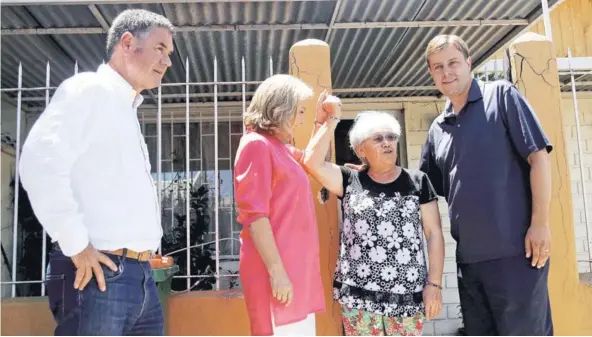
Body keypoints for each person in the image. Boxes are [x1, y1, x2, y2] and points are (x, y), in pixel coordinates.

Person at [19, 9, 174, 336]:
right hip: (97, 274)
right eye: (160, 48)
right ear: (128, 43)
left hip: (140, 277)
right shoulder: (89, 90)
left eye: (169, 53)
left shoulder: (126, 109)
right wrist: (76, 245)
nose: (167, 61)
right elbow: (39, 162)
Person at [419, 34, 553, 335]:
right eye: (438, 67)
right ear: (431, 74)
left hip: (517, 254)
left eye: (453, 63)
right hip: (468, 262)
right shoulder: (437, 129)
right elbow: (422, 187)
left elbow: (539, 158)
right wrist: (371, 171)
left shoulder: (502, 96)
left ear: (469, 63)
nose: (446, 72)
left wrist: (540, 224)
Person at [302, 108, 445, 336]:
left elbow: (434, 233)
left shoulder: (417, 181)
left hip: (406, 296)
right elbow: (311, 162)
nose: (387, 143)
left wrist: (434, 284)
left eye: (391, 137)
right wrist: (329, 120)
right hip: (358, 297)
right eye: (378, 139)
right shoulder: (349, 180)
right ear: (361, 149)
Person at [233, 75, 329, 336]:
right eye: (298, 111)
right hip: (275, 271)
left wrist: (326, 122)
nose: (300, 119)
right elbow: (256, 216)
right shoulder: (256, 145)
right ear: (279, 108)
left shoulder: (282, 149)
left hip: (294, 270)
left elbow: (312, 161)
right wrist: (277, 273)